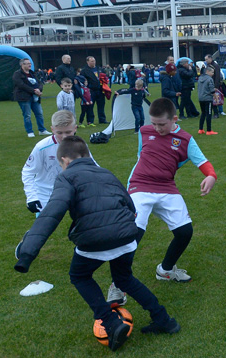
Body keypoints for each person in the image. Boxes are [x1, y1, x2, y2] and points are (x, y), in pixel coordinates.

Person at [13, 136, 181, 352]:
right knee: (124, 278)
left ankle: (110, 322)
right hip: (126, 236)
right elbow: (129, 204)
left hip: (95, 240)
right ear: (85, 154)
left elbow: (51, 213)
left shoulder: (66, 178)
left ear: (64, 160)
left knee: (79, 276)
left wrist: (27, 253)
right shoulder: (106, 173)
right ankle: (165, 320)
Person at [126, 97, 217, 284]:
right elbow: (141, 156)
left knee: (185, 231)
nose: (157, 129)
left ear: (174, 119)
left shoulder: (185, 139)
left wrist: (211, 176)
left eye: (162, 124)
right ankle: (119, 282)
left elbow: (203, 162)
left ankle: (165, 270)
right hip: (140, 185)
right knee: (134, 232)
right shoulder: (144, 132)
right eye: (153, 123)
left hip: (166, 187)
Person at [14, 58, 50, 137]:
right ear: (22, 65)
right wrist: (34, 91)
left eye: (30, 63)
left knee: (39, 113)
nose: (30, 65)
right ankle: (30, 131)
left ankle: (42, 130)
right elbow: (21, 85)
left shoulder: (32, 73)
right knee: (27, 115)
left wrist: (39, 90)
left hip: (35, 97)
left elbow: (39, 83)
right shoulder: (17, 74)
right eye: (27, 63)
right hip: (24, 98)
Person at [79, 56, 108, 125]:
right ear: (87, 62)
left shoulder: (99, 68)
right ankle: (90, 120)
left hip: (100, 90)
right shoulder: (84, 71)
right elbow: (82, 81)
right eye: (92, 61)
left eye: (94, 61)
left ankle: (102, 119)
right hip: (91, 91)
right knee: (90, 106)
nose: (93, 62)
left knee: (101, 105)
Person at [196, 66, 216, 135]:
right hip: (208, 98)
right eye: (212, 72)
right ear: (208, 71)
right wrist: (215, 95)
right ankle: (209, 130)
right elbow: (211, 89)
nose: (213, 73)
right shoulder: (209, 79)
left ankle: (200, 129)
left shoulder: (200, 78)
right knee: (209, 114)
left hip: (201, 98)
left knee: (203, 113)